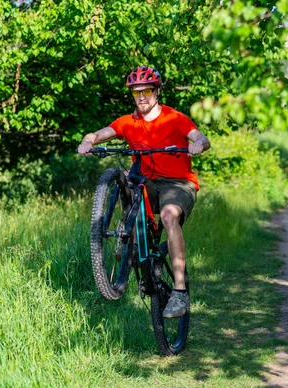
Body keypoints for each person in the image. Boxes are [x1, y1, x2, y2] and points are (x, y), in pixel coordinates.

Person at [77, 66, 210, 318]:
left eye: (147, 91)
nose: (142, 97)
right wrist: (88, 141)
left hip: (177, 183)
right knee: (128, 179)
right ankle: (136, 244)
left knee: (169, 215)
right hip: (146, 183)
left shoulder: (174, 118)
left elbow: (201, 137)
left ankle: (180, 292)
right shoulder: (129, 122)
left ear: (157, 91)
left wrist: (197, 145)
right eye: (136, 93)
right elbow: (99, 133)